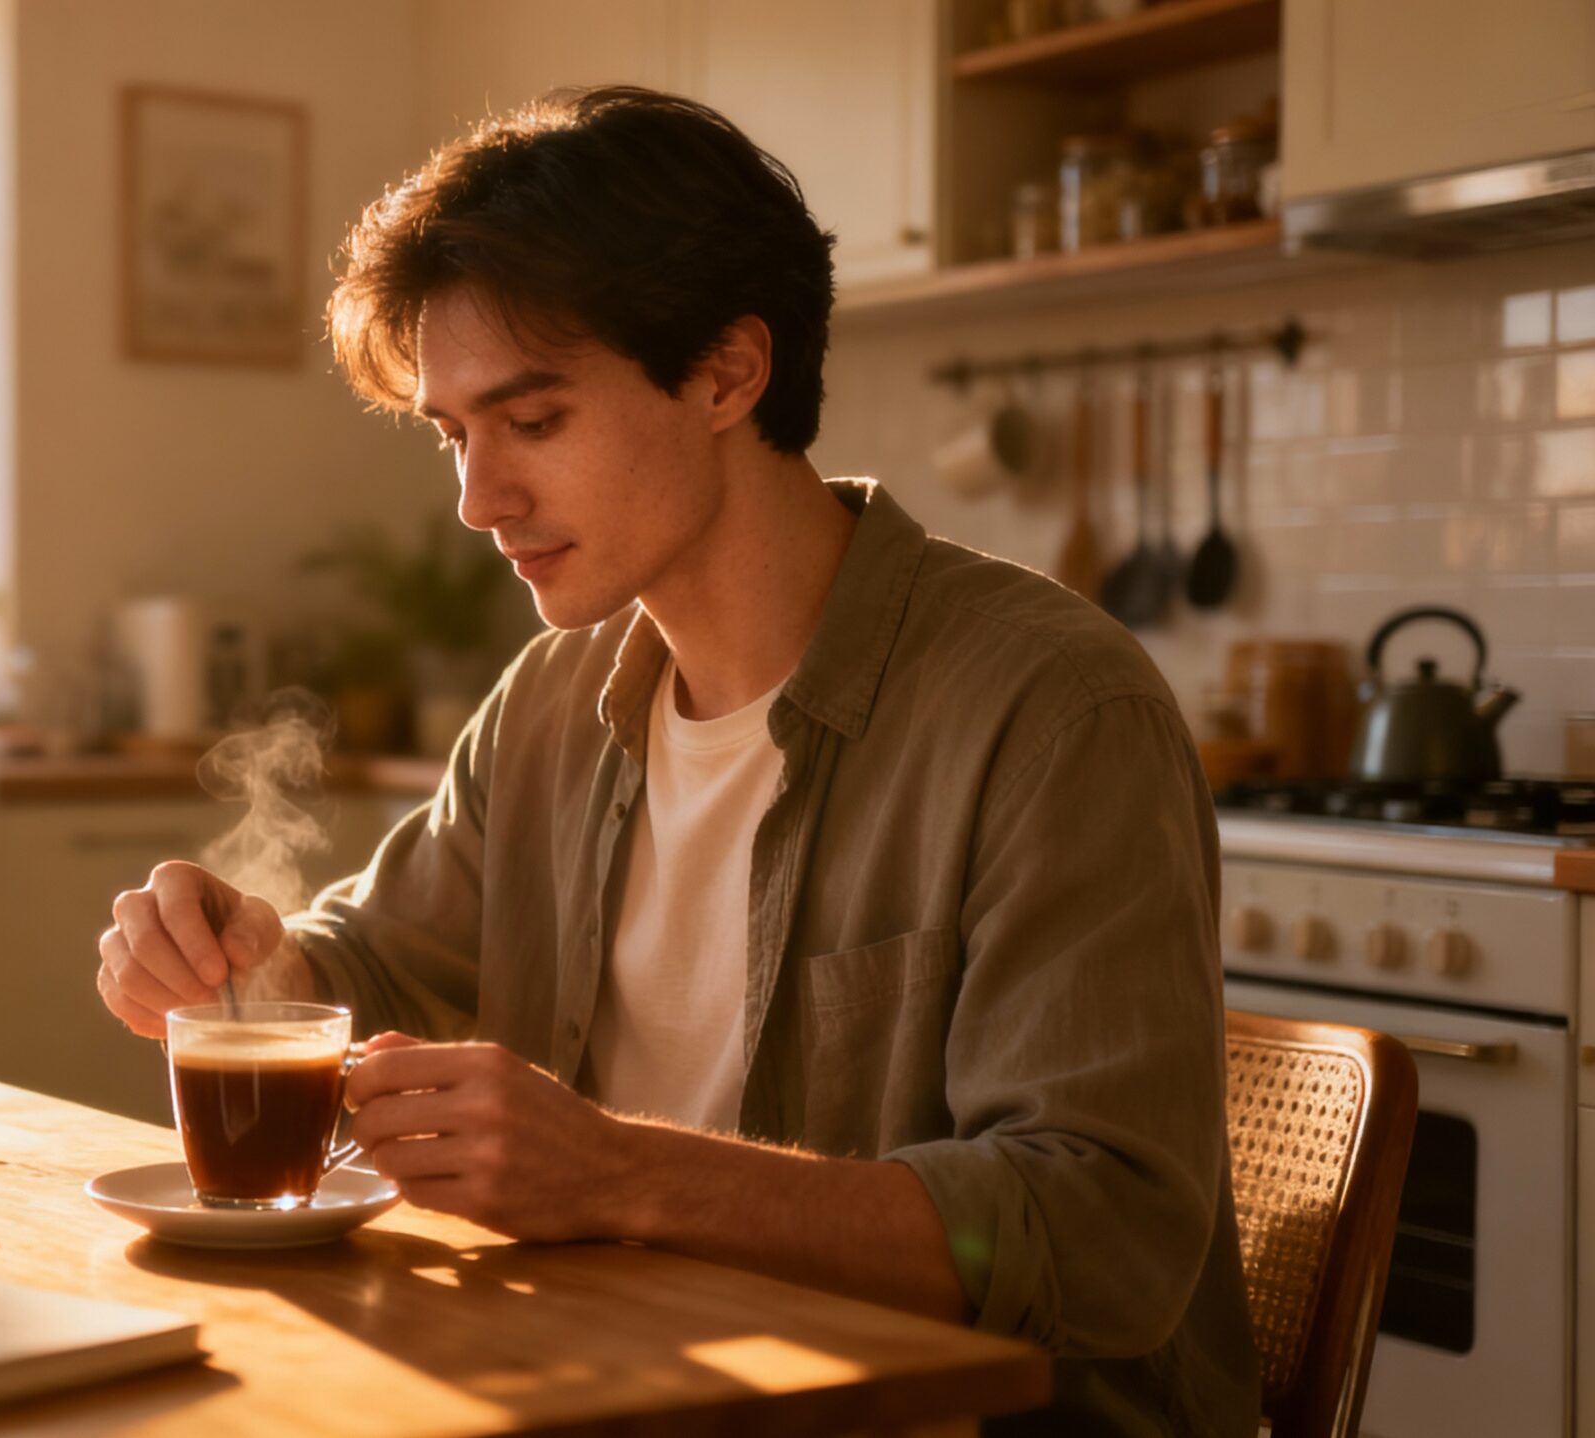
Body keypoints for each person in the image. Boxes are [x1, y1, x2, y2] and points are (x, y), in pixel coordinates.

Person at [94, 86, 1257, 1436]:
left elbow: (1102, 1234)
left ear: (726, 371)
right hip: (631, 1392)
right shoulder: (553, 699)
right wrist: (252, 962)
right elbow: (371, 961)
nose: (479, 501)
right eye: (454, 436)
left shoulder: (1053, 711)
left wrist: (622, 1175)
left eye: (532, 423)